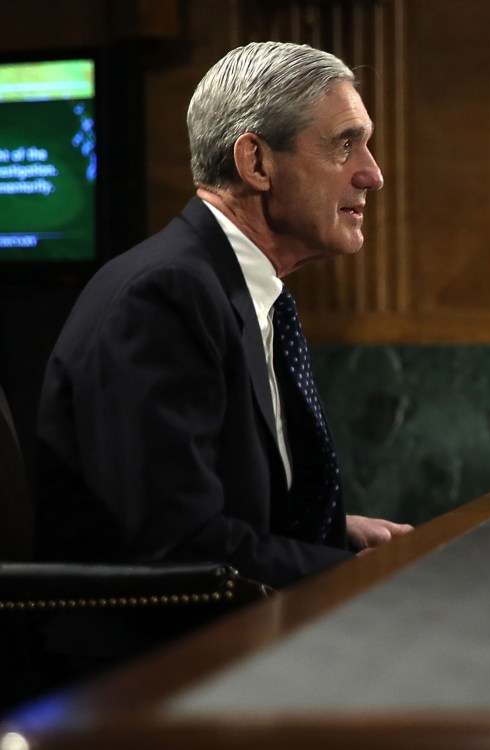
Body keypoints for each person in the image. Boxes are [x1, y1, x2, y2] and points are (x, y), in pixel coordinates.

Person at [35, 42, 413, 588]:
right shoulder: (163, 298)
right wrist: (351, 575)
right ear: (256, 162)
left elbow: (228, 509)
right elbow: (179, 548)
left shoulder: (239, 288)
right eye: (345, 145)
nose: (372, 175)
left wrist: (337, 535)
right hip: (159, 663)